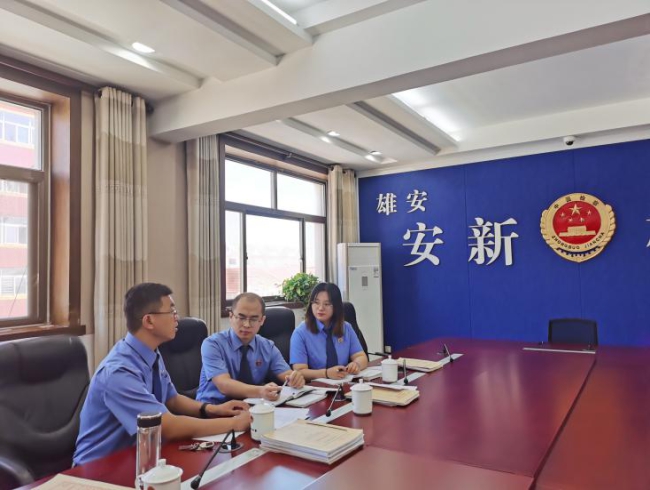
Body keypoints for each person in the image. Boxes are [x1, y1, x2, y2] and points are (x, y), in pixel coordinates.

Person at [74, 283, 250, 466]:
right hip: (98, 468)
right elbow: (167, 426)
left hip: (141, 457)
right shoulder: (118, 373)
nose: (177, 318)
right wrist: (234, 424)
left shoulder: (150, 352)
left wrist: (213, 410)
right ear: (149, 321)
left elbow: (172, 399)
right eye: (172, 312)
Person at [196, 292, 305, 404]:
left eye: (253, 319)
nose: (247, 325)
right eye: (241, 317)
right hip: (213, 408)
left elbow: (286, 375)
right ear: (231, 317)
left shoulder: (267, 346)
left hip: (251, 407)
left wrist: (294, 379)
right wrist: (260, 391)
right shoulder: (212, 344)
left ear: (262, 320)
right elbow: (224, 385)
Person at [290, 282, 369, 381]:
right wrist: (326, 373)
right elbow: (299, 371)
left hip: (344, 382)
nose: (320, 308)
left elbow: (361, 356)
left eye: (327, 304)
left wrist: (356, 364)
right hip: (316, 386)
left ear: (336, 307)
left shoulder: (346, 328)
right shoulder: (300, 333)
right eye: (316, 302)